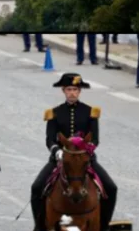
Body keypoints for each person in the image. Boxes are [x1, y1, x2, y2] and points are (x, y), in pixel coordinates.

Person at [30, 73, 117, 231]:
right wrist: (57, 151)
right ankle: (39, 226)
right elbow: (50, 139)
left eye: (75, 89)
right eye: (69, 89)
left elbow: (95, 139)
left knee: (111, 188)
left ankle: (104, 226)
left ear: (79, 92)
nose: (72, 93)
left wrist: (87, 150)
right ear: (63, 91)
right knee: (36, 188)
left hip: (85, 160)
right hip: (59, 159)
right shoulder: (54, 113)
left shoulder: (90, 112)